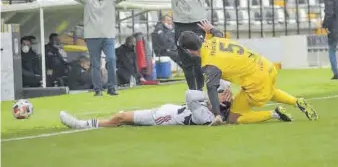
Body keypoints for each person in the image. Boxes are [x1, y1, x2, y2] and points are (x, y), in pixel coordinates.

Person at [178, 20, 318, 126]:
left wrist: (217, 115)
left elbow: (211, 89)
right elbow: (218, 33)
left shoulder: (210, 64)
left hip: (256, 80)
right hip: (267, 67)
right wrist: (211, 29)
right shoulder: (214, 40)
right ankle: (297, 101)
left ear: (188, 51)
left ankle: (275, 113)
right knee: (268, 90)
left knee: (234, 118)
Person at [60, 80, 243, 128]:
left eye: (216, 94)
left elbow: (189, 95)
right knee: (121, 119)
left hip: (159, 117)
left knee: (120, 117)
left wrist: (211, 97)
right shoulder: (210, 108)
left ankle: (80, 124)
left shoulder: (205, 116)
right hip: (166, 109)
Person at [67, 0, 132, 96]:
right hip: (92, 36)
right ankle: (98, 90)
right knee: (95, 63)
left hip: (108, 36)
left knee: (111, 59)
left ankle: (112, 87)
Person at [157, 0, 216, 91]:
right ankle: (192, 92)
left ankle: (200, 90)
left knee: (198, 60)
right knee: (186, 61)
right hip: (180, 24)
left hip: (198, 24)